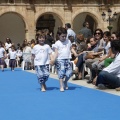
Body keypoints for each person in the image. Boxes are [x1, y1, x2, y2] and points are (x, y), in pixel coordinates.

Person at [52, 27, 78, 92]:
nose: (64, 38)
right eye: (62, 36)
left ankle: (65, 81)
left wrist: (75, 53)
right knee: (61, 73)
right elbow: (56, 52)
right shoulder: (57, 43)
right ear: (59, 36)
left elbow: (71, 48)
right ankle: (61, 86)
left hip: (67, 59)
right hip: (60, 60)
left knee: (69, 73)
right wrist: (53, 59)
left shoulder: (68, 41)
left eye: (65, 36)